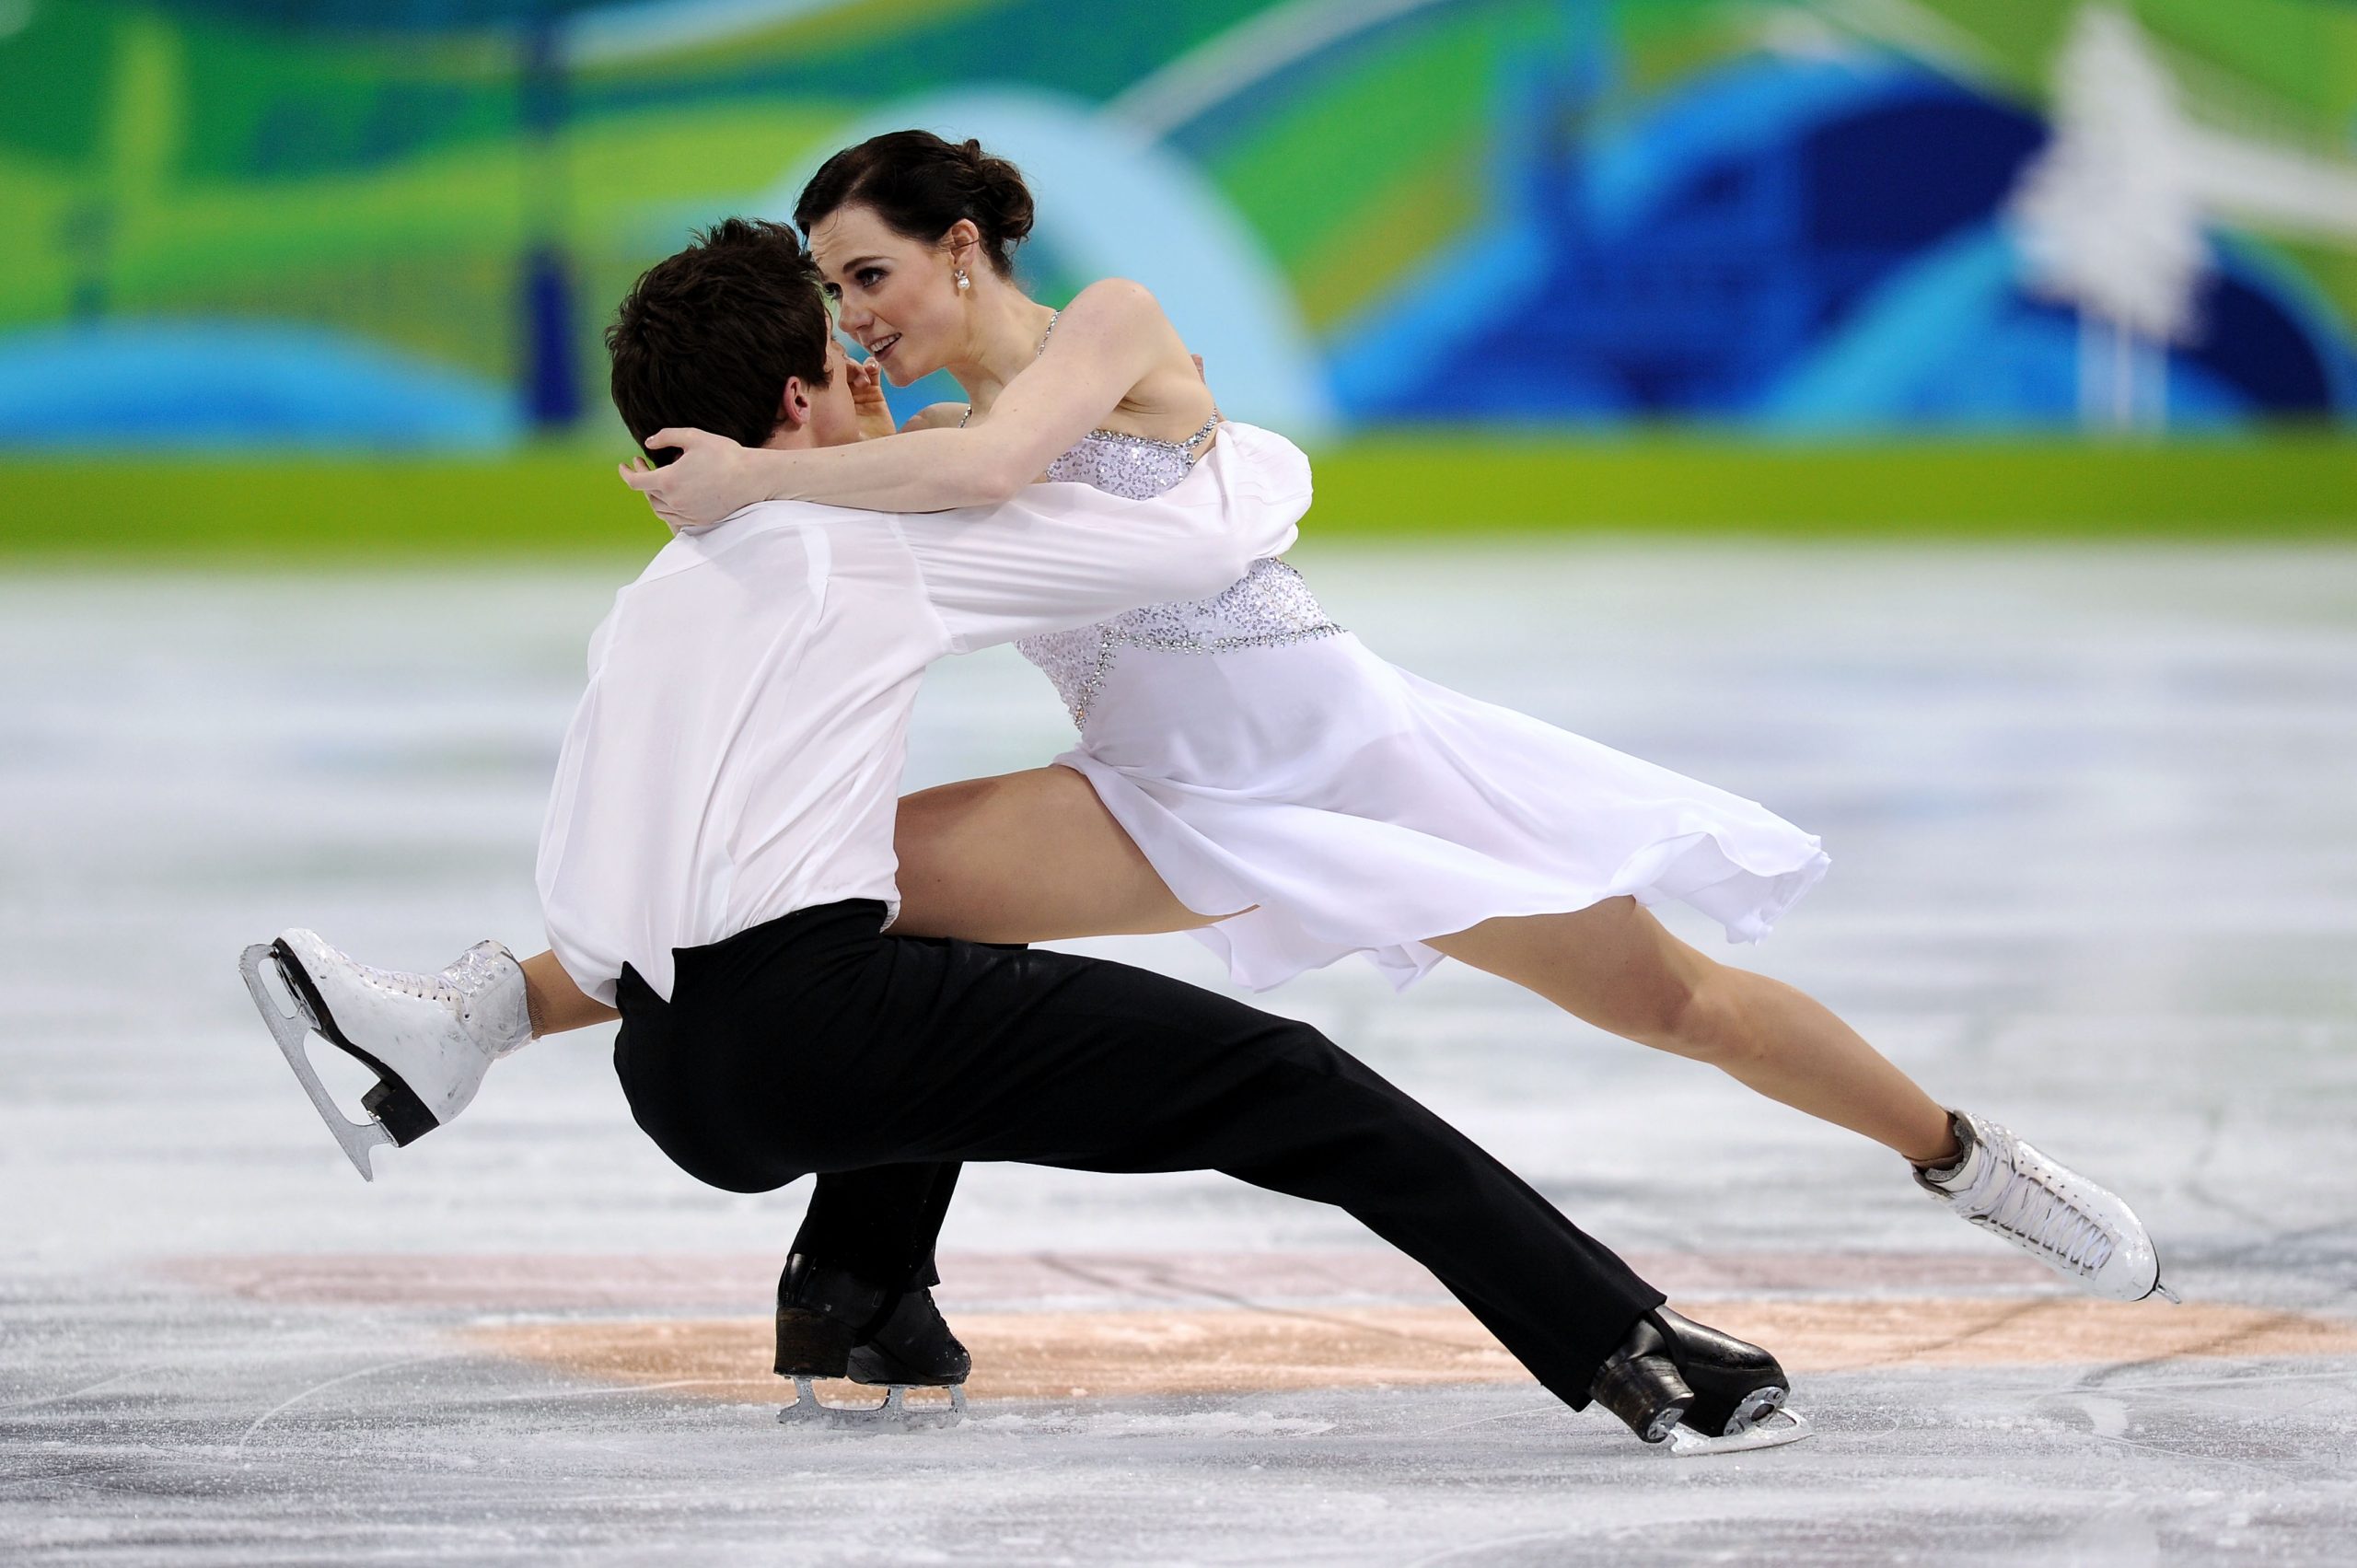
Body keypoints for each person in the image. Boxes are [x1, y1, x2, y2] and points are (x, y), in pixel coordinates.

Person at [247, 215, 1802, 1450]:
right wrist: (1246, 456)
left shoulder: (657, 598)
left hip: (673, 1068)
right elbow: (1187, 541)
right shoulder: (874, 541)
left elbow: (606, 888)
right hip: (820, 1029)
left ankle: (861, 1297)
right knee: (1301, 1088)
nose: (878, 368)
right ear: (797, 406)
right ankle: (1635, 1349)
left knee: (939, 945)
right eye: (846, 360)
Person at [610, 132, 2172, 1310]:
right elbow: (904, 505)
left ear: (961, 249)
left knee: (1670, 1000)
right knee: (814, 883)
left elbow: (1004, 467)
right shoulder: (920, 445)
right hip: (1157, 797)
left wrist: (759, 471)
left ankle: (1967, 1159)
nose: (853, 315)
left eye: (865, 276)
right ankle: (553, 1058)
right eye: (831, 293)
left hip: (1356, 758)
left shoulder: (1109, 326)